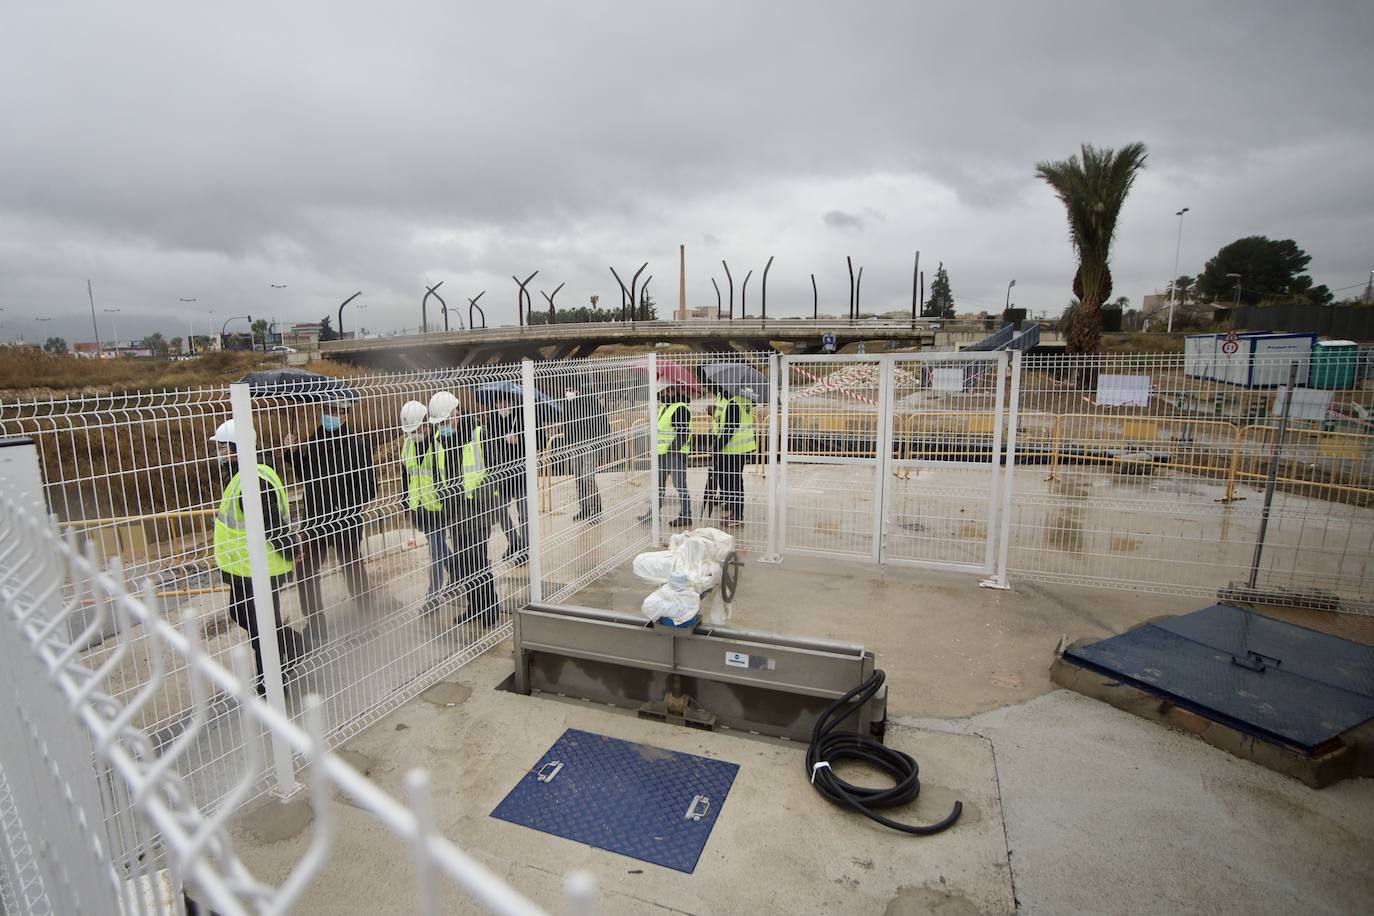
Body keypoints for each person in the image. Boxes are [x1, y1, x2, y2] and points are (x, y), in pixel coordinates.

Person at [210, 420, 306, 695]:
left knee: (261, 629)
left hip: (261, 566)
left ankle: (272, 686)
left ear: (234, 449)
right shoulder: (243, 473)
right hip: (246, 566)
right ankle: (289, 645)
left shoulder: (253, 479)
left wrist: (292, 548)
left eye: (221, 447)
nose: (218, 452)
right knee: (246, 616)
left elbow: (272, 523)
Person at [283, 397, 390, 643]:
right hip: (315, 519)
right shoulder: (314, 439)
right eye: (327, 410)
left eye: (336, 411)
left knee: (353, 569)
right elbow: (306, 475)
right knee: (306, 571)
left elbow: (369, 487)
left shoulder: (357, 445)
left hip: (344, 521)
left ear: (345, 414)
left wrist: (344, 508)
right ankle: (316, 623)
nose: (330, 415)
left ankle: (367, 617)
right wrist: (293, 453)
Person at [430, 390, 500, 626]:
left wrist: (477, 495)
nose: (443, 426)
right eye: (439, 423)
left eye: (446, 420)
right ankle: (475, 606)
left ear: (456, 413)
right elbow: (439, 476)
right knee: (464, 562)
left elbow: (495, 469)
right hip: (454, 512)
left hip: (477, 509)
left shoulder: (478, 434)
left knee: (478, 560)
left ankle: (490, 608)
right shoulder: (440, 441)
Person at [399, 399, 457, 614]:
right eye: (410, 430)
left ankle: (432, 596)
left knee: (435, 550)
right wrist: (405, 503)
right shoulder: (407, 445)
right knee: (438, 546)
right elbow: (406, 476)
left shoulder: (439, 441)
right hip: (419, 507)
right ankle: (457, 569)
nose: (413, 434)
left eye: (416, 429)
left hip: (439, 507)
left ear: (426, 423)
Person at [640, 386, 692, 527]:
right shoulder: (665, 407)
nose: (663, 394)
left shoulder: (680, 408)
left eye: (665, 391)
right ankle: (653, 513)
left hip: (675, 454)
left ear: (674, 391)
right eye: (662, 391)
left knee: (680, 485)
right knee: (658, 485)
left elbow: (683, 433)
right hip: (662, 453)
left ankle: (686, 515)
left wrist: (673, 450)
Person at [488, 390, 529, 565]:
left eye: (504, 403)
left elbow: (540, 441)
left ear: (512, 402)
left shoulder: (523, 416)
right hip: (502, 474)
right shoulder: (494, 419)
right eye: (498, 404)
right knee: (499, 509)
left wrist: (519, 440)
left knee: (524, 513)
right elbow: (489, 443)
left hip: (521, 471)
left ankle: (526, 549)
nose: (501, 407)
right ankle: (514, 541)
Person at [711, 386, 757, 528]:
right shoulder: (745, 399)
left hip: (732, 449)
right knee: (735, 482)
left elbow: (729, 428)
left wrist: (716, 447)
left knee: (734, 484)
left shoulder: (733, 402)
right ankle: (735, 513)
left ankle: (737, 516)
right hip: (740, 448)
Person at [562, 384, 608, 521]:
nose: (568, 393)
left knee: (588, 476)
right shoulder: (569, 405)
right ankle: (584, 508)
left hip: (591, 443)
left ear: (578, 390)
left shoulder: (591, 403)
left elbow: (603, 423)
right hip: (576, 444)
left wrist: (600, 442)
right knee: (579, 477)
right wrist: (568, 441)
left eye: (571, 390)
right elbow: (567, 423)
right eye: (567, 390)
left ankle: (596, 508)